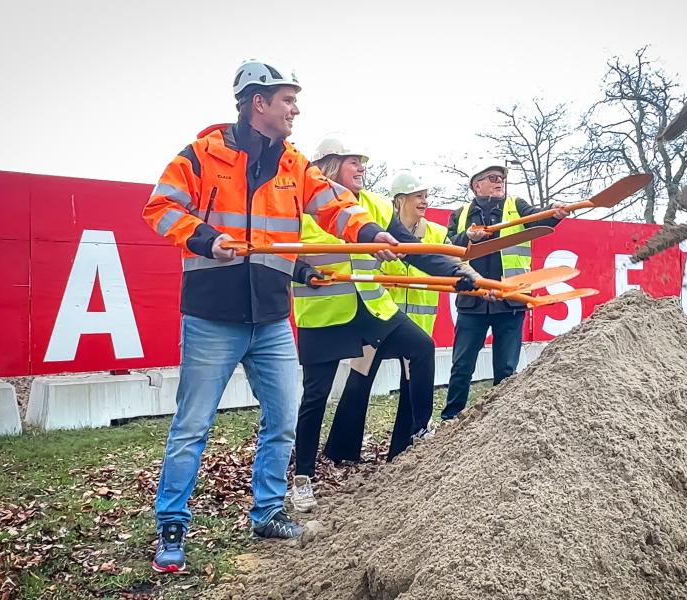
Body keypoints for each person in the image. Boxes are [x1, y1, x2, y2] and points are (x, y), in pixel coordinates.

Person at [141, 60, 403, 574]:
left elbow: (335, 205)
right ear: (257, 102)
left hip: (272, 319)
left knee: (283, 418)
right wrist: (205, 238)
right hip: (211, 316)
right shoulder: (200, 155)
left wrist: (371, 234)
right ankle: (172, 525)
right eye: (287, 100)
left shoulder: (295, 165)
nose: (295, 109)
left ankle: (266, 513)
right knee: (192, 426)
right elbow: (161, 207)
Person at [290, 146, 477, 513]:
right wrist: (302, 271)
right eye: (353, 162)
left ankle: (419, 431)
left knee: (421, 347)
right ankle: (303, 477)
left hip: (372, 308)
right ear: (330, 165)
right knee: (315, 397)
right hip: (324, 315)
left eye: (362, 164)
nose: (361, 169)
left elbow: (415, 250)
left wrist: (456, 272)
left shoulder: (373, 205)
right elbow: (281, 254)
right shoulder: (300, 207)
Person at [317, 171, 447, 472]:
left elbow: (447, 259)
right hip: (380, 317)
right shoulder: (381, 226)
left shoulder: (437, 233)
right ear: (400, 200)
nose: (424, 202)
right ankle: (341, 450)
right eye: (418, 196)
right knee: (359, 379)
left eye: (426, 196)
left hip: (414, 323)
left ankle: (403, 449)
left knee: (410, 385)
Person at [440, 160, 570, 420]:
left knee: (506, 369)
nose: (499, 181)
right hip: (473, 301)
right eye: (492, 177)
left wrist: (554, 213)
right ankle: (451, 418)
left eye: (501, 178)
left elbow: (539, 219)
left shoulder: (517, 206)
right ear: (476, 185)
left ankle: (498, 422)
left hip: (511, 301)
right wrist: (468, 238)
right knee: (462, 366)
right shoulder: (460, 214)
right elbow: (446, 247)